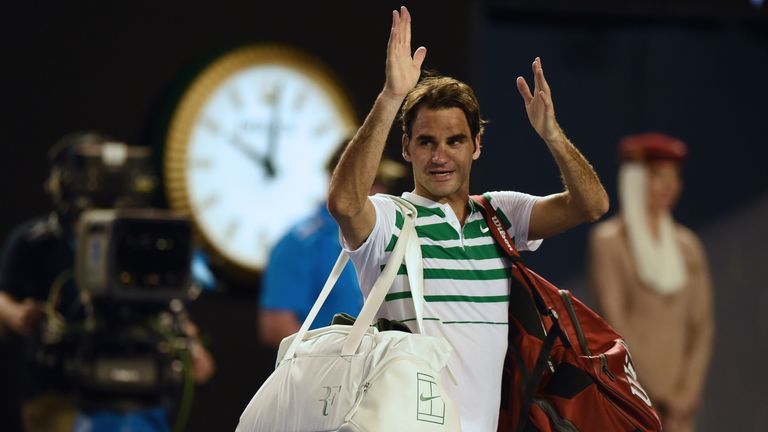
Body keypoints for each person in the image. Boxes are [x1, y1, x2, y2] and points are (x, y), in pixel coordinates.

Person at [326, 7, 609, 431]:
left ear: (476, 145)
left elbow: (591, 205)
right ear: (406, 148)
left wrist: (552, 134)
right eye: (426, 142)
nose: (440, 156)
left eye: (454, 141)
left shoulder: (501, 215)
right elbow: (346, 203)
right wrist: (389, 97)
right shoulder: (390, 220)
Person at [0, 131, 215, 432]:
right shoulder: (33, 241)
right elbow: (3, 297)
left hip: (143, 391)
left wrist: (189, 344)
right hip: (59, 392)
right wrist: (18, 315)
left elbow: (166, 298)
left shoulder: (144, 237)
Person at [588, 133, 713, 432]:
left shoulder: (688, 246)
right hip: (633, 397)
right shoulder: (611, 242)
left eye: (675, 177)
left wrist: (687, 392)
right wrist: (660, 394)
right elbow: (614, 324)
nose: (669, 186)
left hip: (680, 410)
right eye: (658, 176)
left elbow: (702, 325)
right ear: (635, 180)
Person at [258, 140, 406, 348]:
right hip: (324, 376)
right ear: (337, 180)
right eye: (370, 181)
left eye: (382, 182)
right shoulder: (298, 243)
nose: (380, 191)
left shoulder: (394, 237)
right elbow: (276, 326)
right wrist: (334, 367)